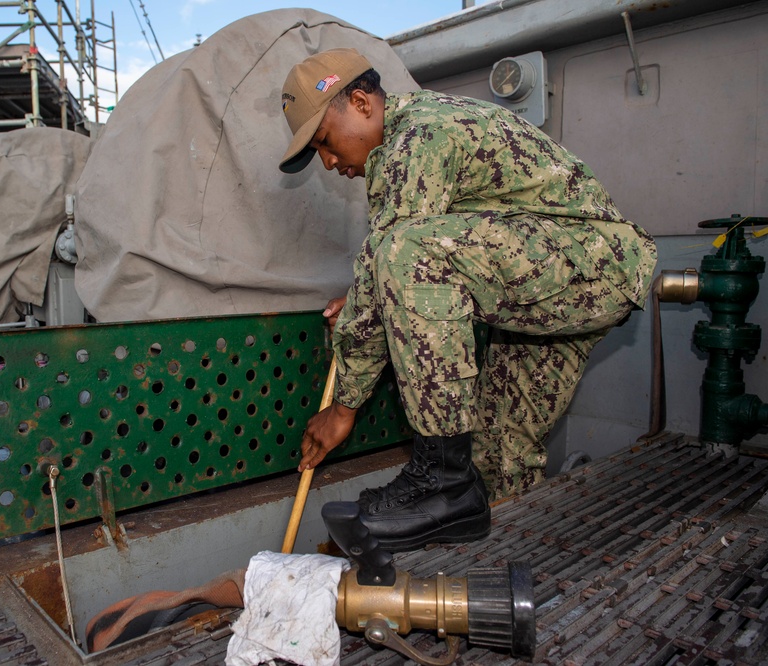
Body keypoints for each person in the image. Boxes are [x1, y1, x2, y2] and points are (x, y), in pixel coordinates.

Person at [279, 48, 657, 552]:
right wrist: (369, 289)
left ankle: (442, 479)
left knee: (403, 250)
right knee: (501, 454)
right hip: (562, 278)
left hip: (589, 263)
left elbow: (400, 257)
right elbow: (398, 268)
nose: (328, 162)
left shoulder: (414, 139)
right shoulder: (415, 129)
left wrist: (343, 409)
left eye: (325, 141)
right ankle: (501, 570)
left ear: (363, 102)